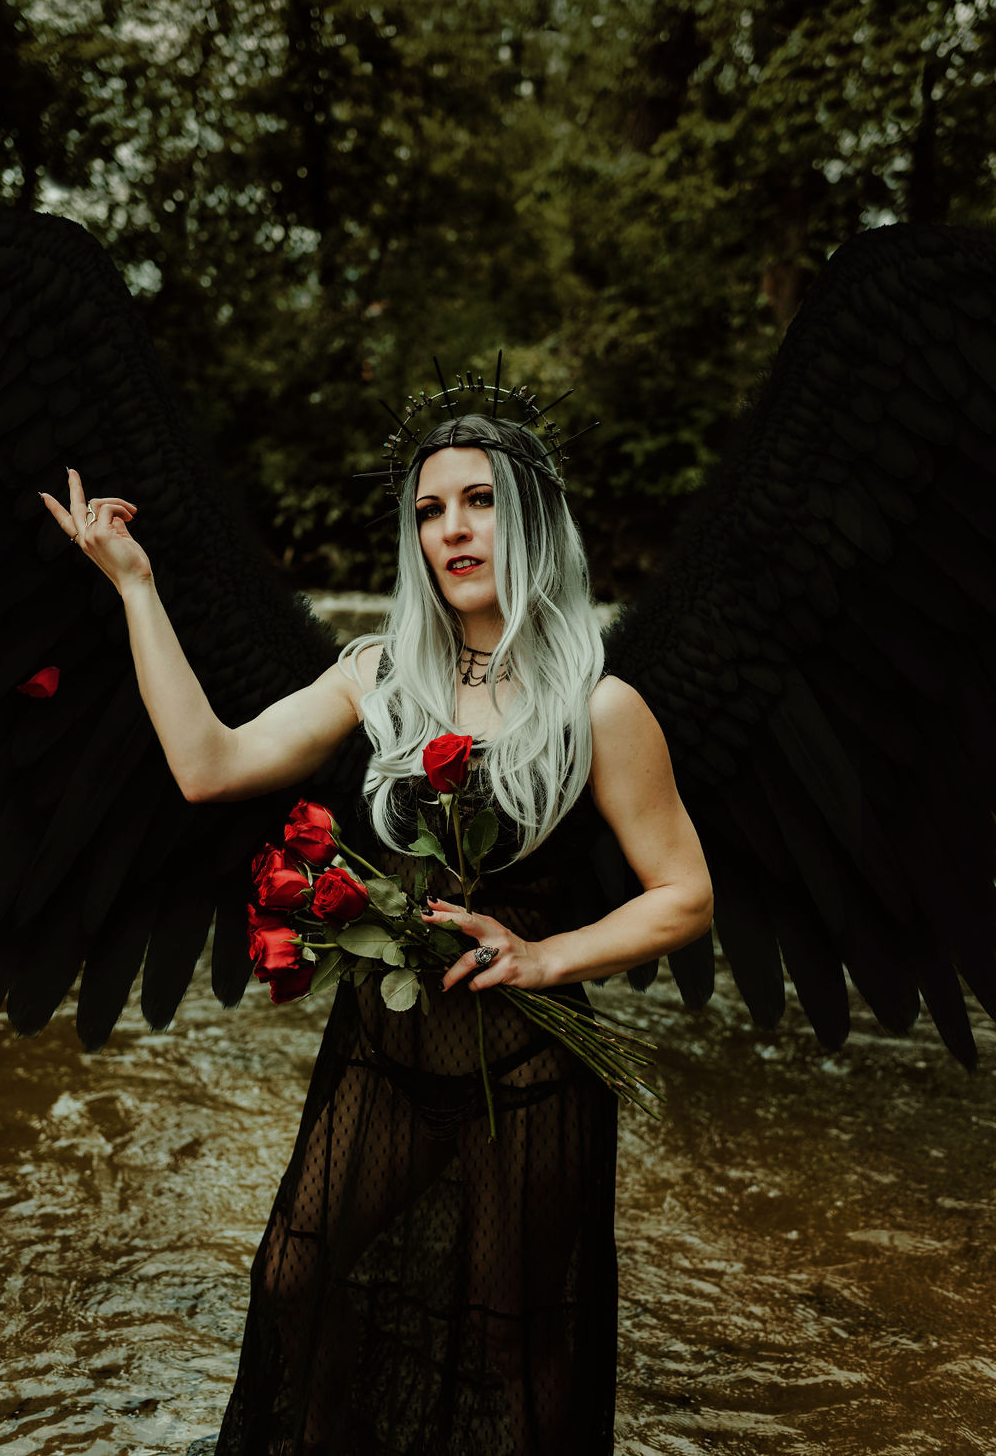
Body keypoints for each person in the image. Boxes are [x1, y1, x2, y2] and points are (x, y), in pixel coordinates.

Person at [41, 408, 713, 1456]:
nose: (452, 529)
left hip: (531, 1069)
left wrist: (545, 956)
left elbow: (683, 893)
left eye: (481, 502)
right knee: (291, 1277)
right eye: (431, 509)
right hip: (380, 1059)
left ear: (533, 517)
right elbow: (205, 764)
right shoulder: (376, 675)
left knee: (507, 1340)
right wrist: (136, 584)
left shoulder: (600, 702)